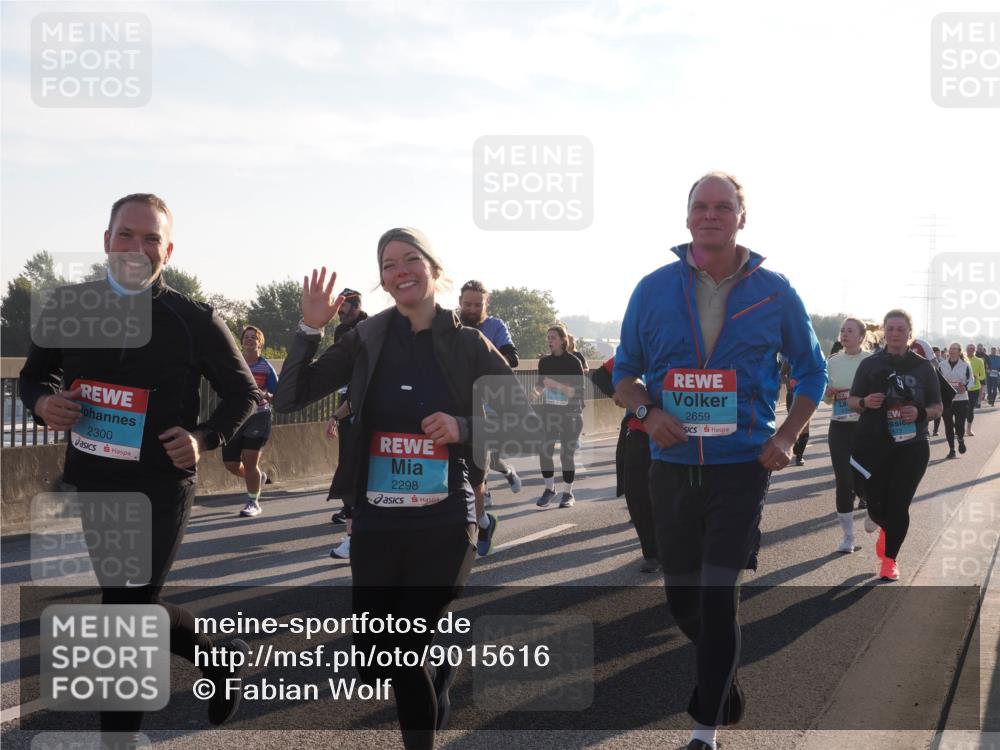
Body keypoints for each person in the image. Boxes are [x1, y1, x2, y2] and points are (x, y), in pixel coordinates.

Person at [273, 228, 529, 749]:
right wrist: (307, 329)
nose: (401, 270)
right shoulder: (366, 339)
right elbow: (290, 398)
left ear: (433, 270)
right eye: (388, 264)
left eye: (411, 259)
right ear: (383, 281)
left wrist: (465, 427)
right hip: (377, 516)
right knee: (373, 657)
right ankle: (439, 667)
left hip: (445, 516)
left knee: (405, 648)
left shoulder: (467, 342)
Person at [19, 193, 259, 738]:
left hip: (160, 486)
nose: (137, 247)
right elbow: (36, 377)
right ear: (107, 242)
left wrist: (204, 437)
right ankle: (217, 656)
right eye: (126, 235)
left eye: (151, 238)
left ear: (167, 250)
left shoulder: (193, 318)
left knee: (123, 620)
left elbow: (243, 393)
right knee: (128, 606)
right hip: (95, 480)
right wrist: (41, 403)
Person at [613, 172, 827, 750]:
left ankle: (705, 729)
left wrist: (785, 437)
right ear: (687, 218)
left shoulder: (775, 290)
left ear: (741, 217)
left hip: (741, 468)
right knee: (683, 598)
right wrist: (645, 414)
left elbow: (814, 372)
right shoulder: (652, 288)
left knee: (717, 591)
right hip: (672, 465)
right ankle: (722, 681)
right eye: (701, 206)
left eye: (723, 206)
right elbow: (623, 374)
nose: (711, 215)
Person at [849, 310, 942, 581]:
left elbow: (938, 405)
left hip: (912, 445)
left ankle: (890, 559)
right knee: (874, 496)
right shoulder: (870, 365)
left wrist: (920, 413)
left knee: (899, 505)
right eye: (890, 328)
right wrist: (866, 402)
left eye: (901, 328)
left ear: (909, 332)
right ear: (884, 332)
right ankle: (877, 514)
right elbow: (853, 400)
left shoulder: (923, 367)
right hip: (875, 443)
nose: (895, 333)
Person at [458, 280, 523, 519]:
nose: (473, 309)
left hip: (490, 404)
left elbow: (512, 358)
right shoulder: (448, 324)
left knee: (485, 455)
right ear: (459, 303)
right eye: (468, 304)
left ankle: (481, 507)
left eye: (478, 304)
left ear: (487, 303)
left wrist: (484, 359)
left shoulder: (495, 326)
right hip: (458, 402)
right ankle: (501, 477)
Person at [592, 356, 659, 572]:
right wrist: (616, 394)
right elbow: (600, 375)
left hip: (682, 433)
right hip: (639, 430)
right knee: (637, 494)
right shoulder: (639, 346)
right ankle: (652, 554)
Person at [324, 289, 368, 558]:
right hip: (349, 402)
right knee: (351, 475)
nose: (338, 311)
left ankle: (357, 538)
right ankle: (357, 534)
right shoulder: (342, 331)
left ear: (355, 306)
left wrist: (337, 414)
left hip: (363, 404)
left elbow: (362, 379)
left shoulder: (367, 328)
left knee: (354, 476)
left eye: (342, 307)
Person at [824, 318, 871, 552]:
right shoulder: (833, 361)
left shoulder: (871, 361)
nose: (844, 334)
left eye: (850, 331)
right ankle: (848, 537)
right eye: (842, 330)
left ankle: (872, 505)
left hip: (866, 427)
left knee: (865, 478)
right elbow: (825, 397)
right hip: (839, 425)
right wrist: (829, 393)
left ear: (861, 336)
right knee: (844, 481)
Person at [223, 325, 278, 517]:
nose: (249, 340)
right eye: (246, 337)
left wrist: (264, 394)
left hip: (259, 417)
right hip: (236, 417)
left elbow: (276, 394)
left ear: (260, 343)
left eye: (253, 337)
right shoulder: (234, 363)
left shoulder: (266, 367)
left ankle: (253, 501)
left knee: (249, 460)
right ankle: (258, 477)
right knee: (230, 463)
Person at [534, 324, 586, 508]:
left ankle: (568, 494)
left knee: (566, 455)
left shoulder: (573, 362)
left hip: (571, 414)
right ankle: (549, 489)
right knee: (544, 450)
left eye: (553, 337)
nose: (549, 340)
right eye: (548, 337)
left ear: (563, 340)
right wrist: (532, 394)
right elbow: (541, 385)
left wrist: (555, 385)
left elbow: (578, 393)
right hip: (550, 414)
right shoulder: (544, 362)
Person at [938, 343, 975, 458]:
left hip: (961, 399)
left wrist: (965, 387)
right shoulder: (942, 365)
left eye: (955, 349)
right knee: (948, 425)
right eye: (951, 348)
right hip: (947, 400)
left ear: (959, 351)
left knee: (959, 425)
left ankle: (960, 439)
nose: (952, 350)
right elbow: (937, 380)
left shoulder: (965, 365)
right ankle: (952, 450)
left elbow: (972, 380)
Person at [780, 357, 810, 466]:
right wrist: (789, 382)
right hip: (792, 394)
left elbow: (818, 374)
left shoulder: (810, 358)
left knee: (805, 423)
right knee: (794, 422)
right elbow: (782, 374)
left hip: (807, 393)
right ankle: (796, 448)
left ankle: (799, 456)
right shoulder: (788, 360)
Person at [966, 343, 986, 435]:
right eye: (968, 349)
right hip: (963, 389)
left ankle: (969, 429)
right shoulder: (963, 359)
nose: (969, 351)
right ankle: (958, 428)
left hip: (974, 389)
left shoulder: (979, 361)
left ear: (974, 351)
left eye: (971, 349)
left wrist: (976, 376)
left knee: (970, 409)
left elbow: (983, 376)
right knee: (960, 409)